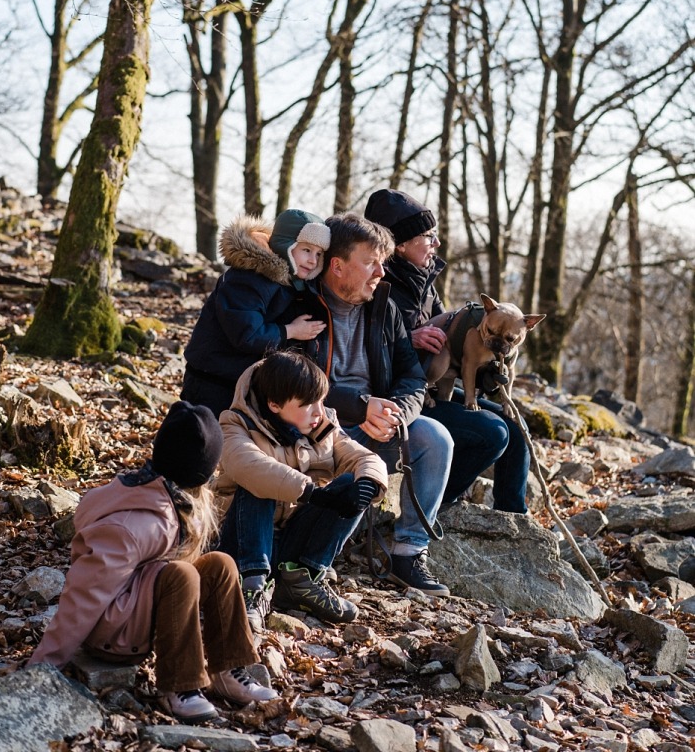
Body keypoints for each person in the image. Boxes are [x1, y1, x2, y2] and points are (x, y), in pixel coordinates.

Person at [30, 402, 279, 721]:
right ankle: (180, 686)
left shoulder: (159, 490)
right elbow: (83, 595)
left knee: (219, 564)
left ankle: (228, 670)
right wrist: (40, 668)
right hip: (112, 635)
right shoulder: (135, 527)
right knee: (181, 574)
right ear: (199, 472)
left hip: (137, 607)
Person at [287, 212, 453, 595]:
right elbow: (291, 377)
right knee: (361, 462)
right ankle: (310, 568)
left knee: (435, 438)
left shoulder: (384, 307)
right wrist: (363, 407)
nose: (381, 272)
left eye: (382, 261)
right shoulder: (298, 305)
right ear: (338, 266)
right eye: (371, 262)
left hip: (376, 420)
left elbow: (411, 377)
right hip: (320, 425)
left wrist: (394, 413)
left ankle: (407, 553)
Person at [364, 188, 529, 514]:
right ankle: (434, 507)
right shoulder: (377, 284)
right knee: (492, 433)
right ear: (400, 244)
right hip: (402, 397)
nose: (436, 243)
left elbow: (451, 341)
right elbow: (366, 347)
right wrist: (409, 338)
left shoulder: (424, 278)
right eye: (428, 236)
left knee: (516, 431)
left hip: (438, 387)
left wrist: (487, 367)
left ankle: (515, 521)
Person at [216, 351, 389, 627]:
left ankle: (304, 578)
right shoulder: (235, 425)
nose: (319, 412)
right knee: (260, 484)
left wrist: (368, 485)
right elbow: (248, 466)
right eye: (309, 404)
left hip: (290, 544)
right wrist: (312, 492)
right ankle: (252, 589)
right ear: (274, 404)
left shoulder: (321, 427)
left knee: (353, 484)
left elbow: (365, 458)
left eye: (321, 401)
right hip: (242, 543)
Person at [181, 209, 331, 415]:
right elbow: (246, 334)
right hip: (211, 378)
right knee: (204, 435)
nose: (313, 260)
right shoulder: (249, 278)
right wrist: (290, 331)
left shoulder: (291, 283)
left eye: (319, 254)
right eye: (306, 250)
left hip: (239, 380)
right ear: (286, 245)